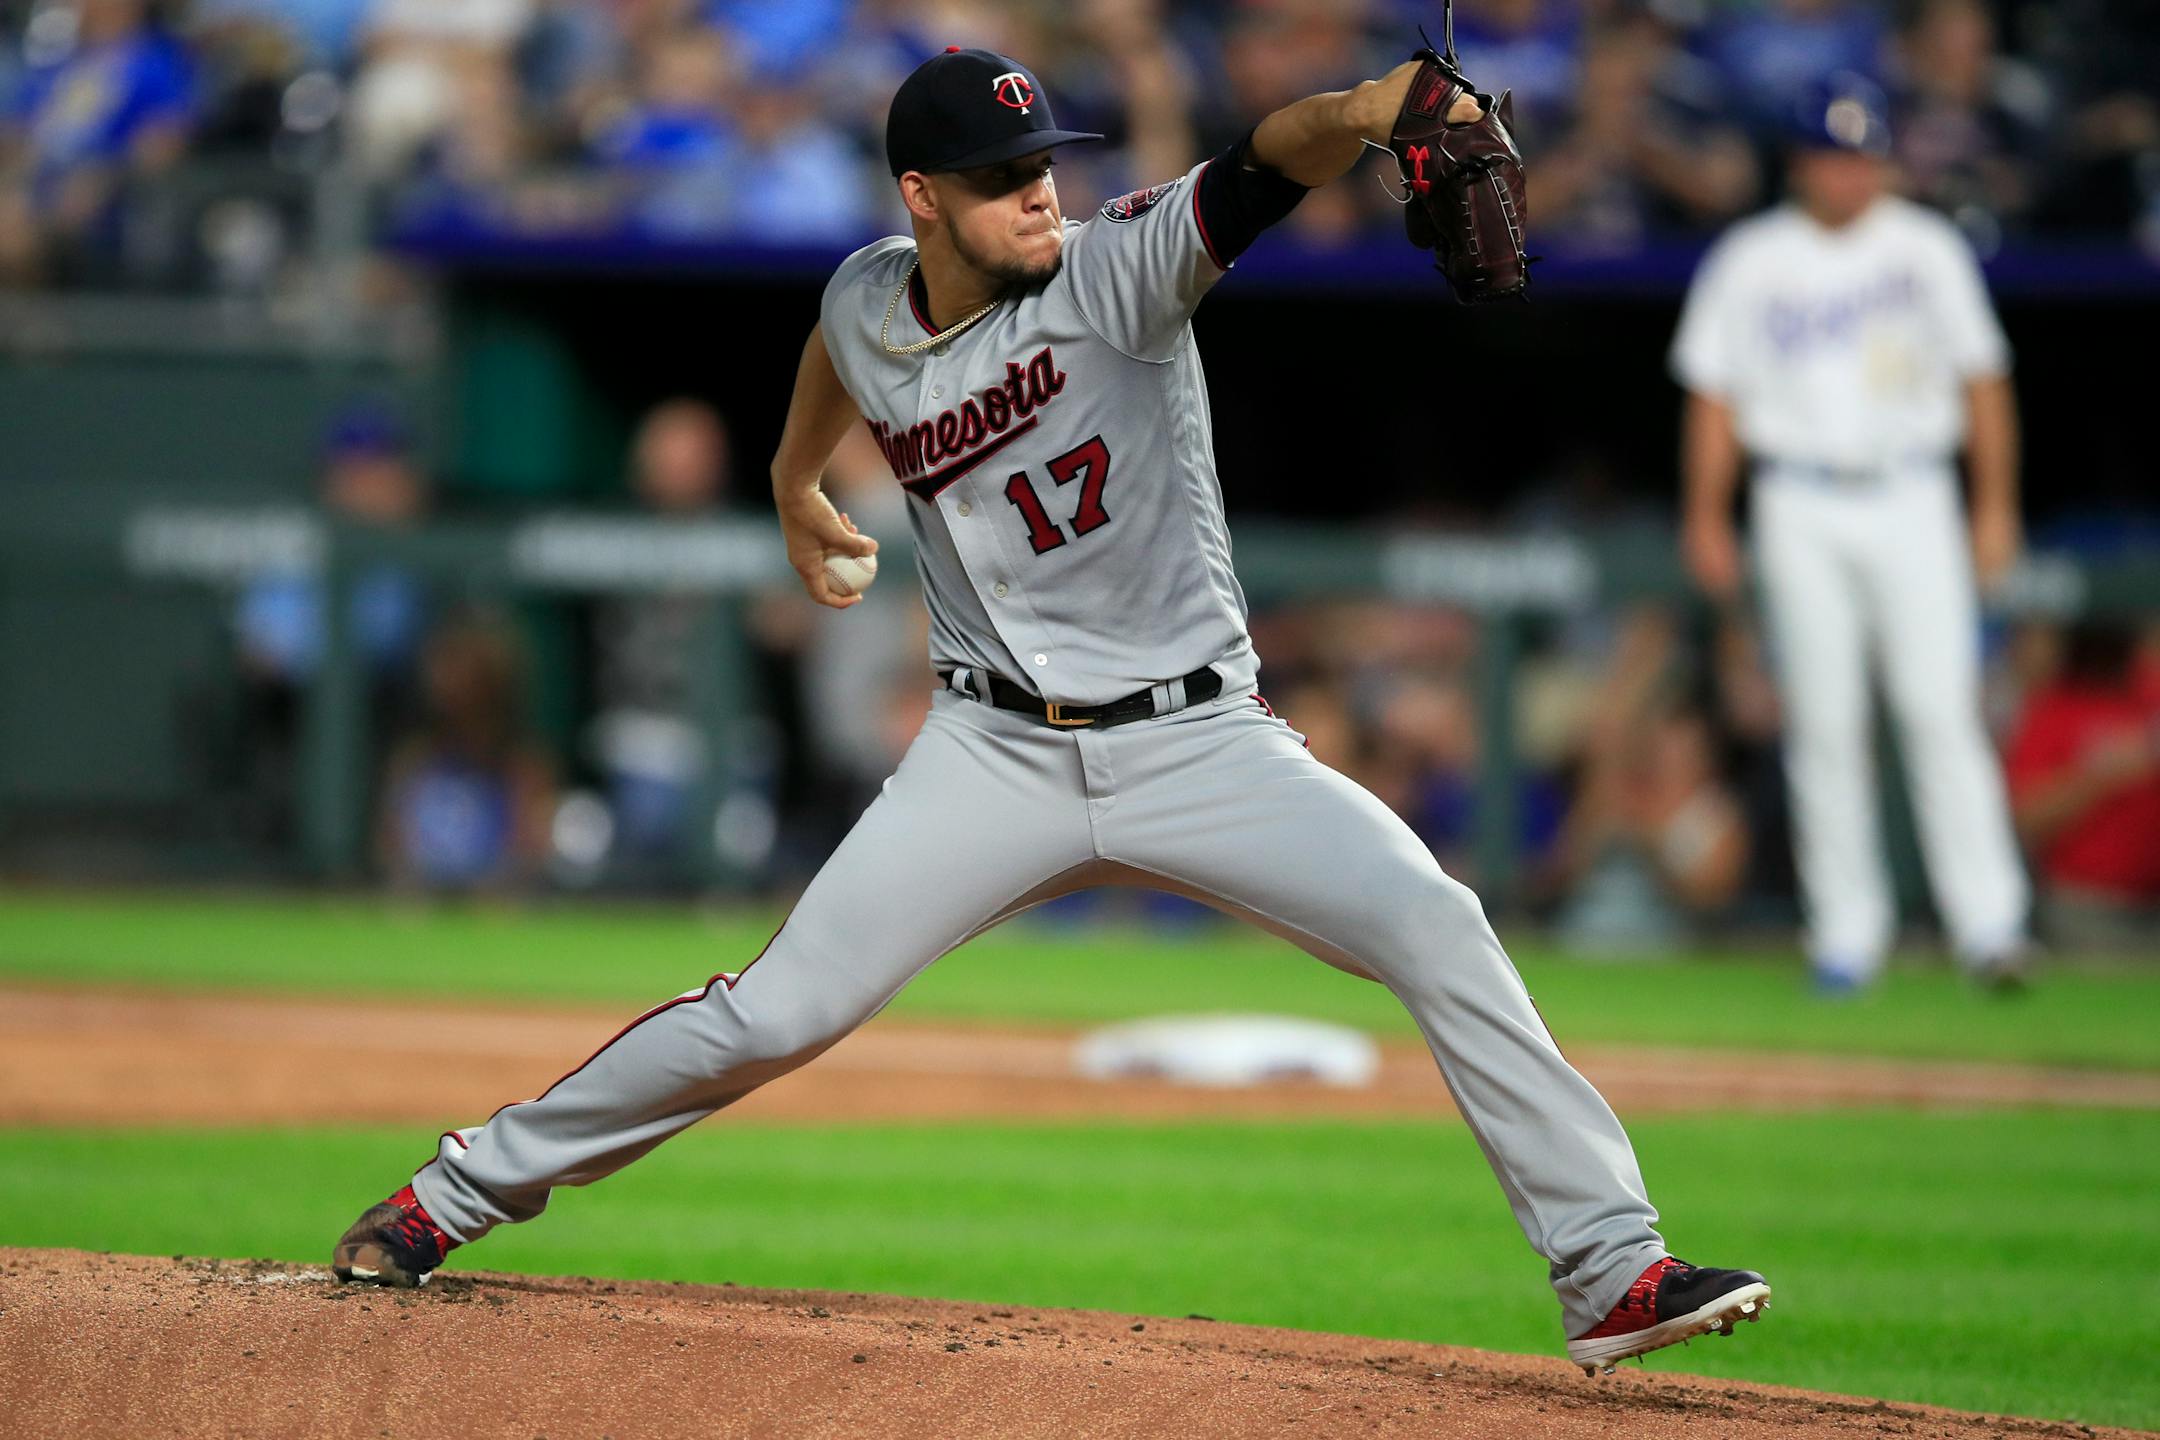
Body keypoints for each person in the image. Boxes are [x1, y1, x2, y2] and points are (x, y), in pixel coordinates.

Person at [332, 43, 1771, 1376]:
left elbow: (1260, 167)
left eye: (1045, 165)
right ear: (922, 202)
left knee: (1436, 923)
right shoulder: (863, 289)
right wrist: (792, 483)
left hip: (1198, 738)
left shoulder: (1118, 272)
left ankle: (1610, 1270)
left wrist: (1367, 108)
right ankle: (453, 1193)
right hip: (992, 750)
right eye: (1003, 180)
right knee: (775, 1014)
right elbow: (843, 350)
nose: (1040, 193)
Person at [1672, 76, 2032, 994]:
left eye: (1864, 156)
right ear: (1801, 165)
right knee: (1825, 723)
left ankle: (1990, 926)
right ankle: (1845, 934)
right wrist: (1709, 514)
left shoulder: (1927, 247)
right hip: (1798, 497)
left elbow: (1984, 381)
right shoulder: (1753, 257)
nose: (1850, 174)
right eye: (1834, 157)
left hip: (1914, 492)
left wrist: (1994, 506)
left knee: (1937, 709)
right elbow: (1713, 396)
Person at [2003, 620, 2160, 949]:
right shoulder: (2057, 708)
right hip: (2082, 910)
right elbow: (2025, 820)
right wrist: (2099, 774)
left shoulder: (2149, 699)